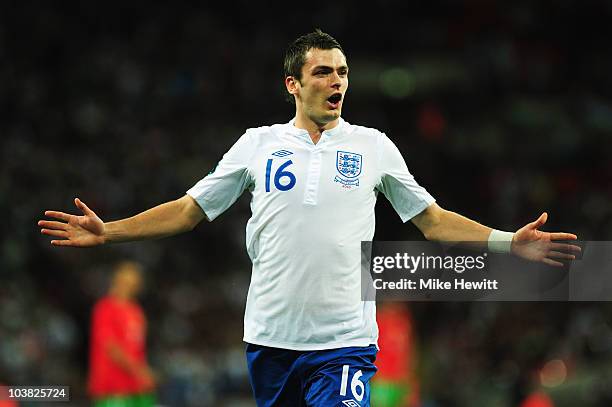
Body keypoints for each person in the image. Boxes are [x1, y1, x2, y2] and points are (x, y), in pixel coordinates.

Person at [38, 30, 579, 406]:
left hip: (344, 340)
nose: (336, 81)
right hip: (270, 338)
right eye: (322, 72)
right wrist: (111, 231)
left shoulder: (374, 147)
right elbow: (189, 210)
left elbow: (432, 220)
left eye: (342, 72)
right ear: (293, 84)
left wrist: (509, 242)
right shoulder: (257, 145)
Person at [87, 260, 156, 407]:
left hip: (137, 388)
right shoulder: (105, 308)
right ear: (116, 280)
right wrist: (140, 371)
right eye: (126, 282)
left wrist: (141, 374)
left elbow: (137, 349)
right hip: (112, 387)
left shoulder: (136, 311)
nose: (130, 286)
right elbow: (111, 348)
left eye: (134, 283)